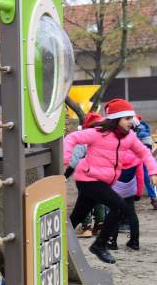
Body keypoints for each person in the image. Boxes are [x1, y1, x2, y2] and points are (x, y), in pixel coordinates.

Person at [64, 99, 157, 264]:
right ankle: (100, 245)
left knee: (77, 216)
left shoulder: (129, 138)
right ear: (117, 118)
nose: (132, 121)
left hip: (103, 182)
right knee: (120, 207)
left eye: (132, 118)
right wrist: (66, 159)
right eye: (127, 118)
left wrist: (153, 171)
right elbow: (71, 138)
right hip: (89, 179)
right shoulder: (98, 133)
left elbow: (144, 153)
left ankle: (59, 240)